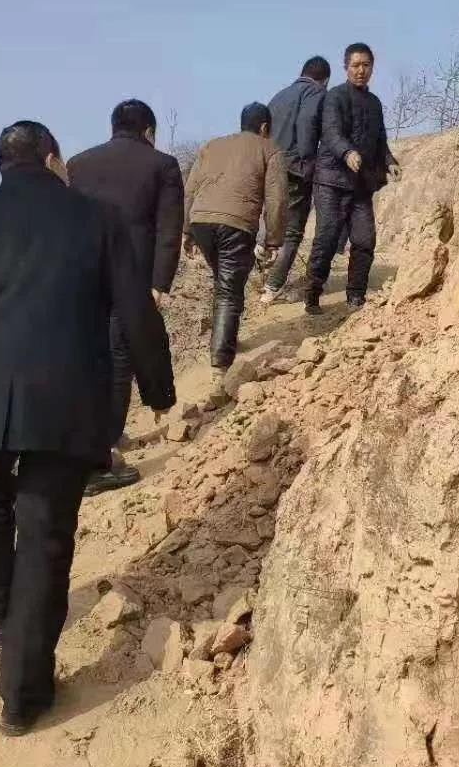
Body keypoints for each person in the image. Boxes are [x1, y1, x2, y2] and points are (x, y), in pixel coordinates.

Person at [0, 121, 175, 736]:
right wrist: (158, 391)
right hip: (64, 396)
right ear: (51, 158)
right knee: (44, 533)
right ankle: (22, 694)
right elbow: (136, 312)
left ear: (1, 165)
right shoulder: (98, 219)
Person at [67, 100, 183, 494]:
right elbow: (168, 229)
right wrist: (159, 283)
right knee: (120, 359)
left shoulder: (79, 164)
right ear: (149, 131)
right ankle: (102, 453)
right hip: (131, 278)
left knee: (88, 358)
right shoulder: (162, 165)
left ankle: (94, 439)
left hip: (83, 278)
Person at [184, 102, 288, 381]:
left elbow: (190, 190)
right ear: (264, 127)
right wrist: (274, 239)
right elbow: (277, 199)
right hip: (236, 224)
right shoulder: (270, 149)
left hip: (201, 221)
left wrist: (187, 230)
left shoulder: (212, 146)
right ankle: (220, 366)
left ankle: (227, 337)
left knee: (225, 282)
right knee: (229, 290)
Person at [304, 43, 399, 315]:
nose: (361, 70)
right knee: (327, 236)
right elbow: (331, 132)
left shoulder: (374, 103)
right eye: (355, 65)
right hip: (331, 180)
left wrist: (389, 162)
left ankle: (356, 294)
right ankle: (313, 292)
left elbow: (380, 140)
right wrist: (347, 152)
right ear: (346, 67)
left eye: (366, 65)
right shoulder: (334, 97)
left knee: (365, 240)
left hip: (360, 185)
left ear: (372, 68)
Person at [259, 56, 330, 304]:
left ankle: (260, 251)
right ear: (325, 80)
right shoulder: (316, 92)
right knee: (292, 232)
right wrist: (308, 161)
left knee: (272, 217)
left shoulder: (279, 96)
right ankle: (272, 287)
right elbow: (308, 123)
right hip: (294, 167)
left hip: (269, 165)